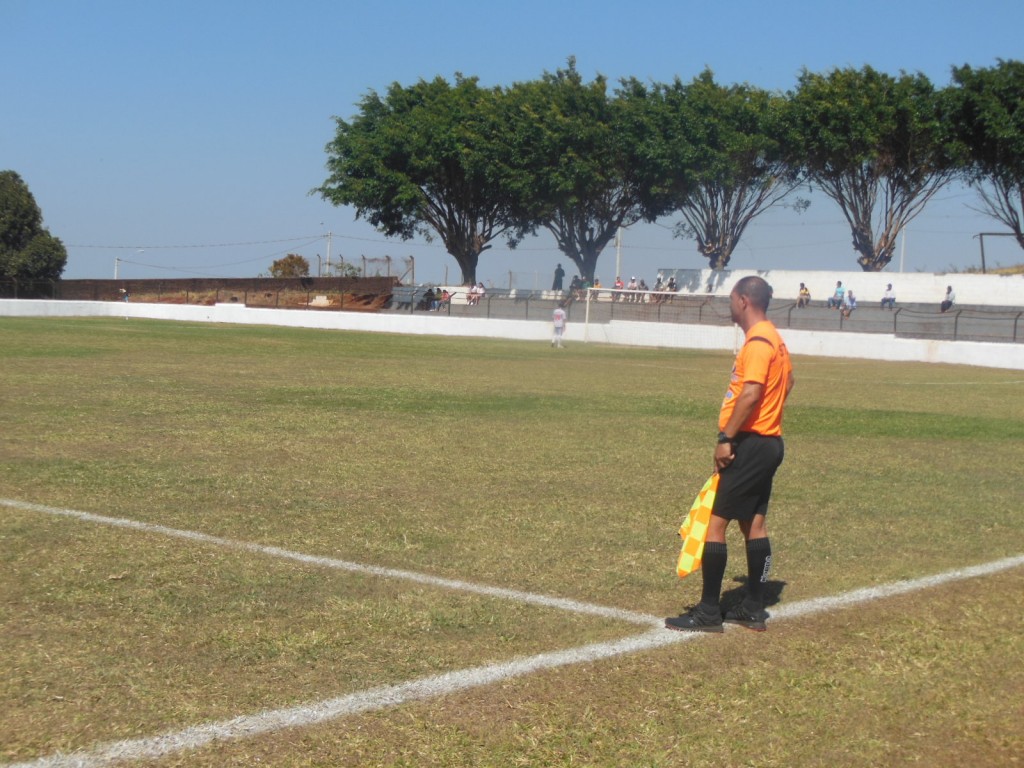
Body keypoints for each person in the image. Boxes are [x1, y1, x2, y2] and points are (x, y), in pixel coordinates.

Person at [666, 275, 795, 633]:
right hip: (768, 443)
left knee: (715, 524)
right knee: (754, 523)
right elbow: (789, 383)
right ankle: (753, 605)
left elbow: (751, 392)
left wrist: (727, 436)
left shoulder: (757, 342)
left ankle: (708, 612)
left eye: (731, 299)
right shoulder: (776, 339)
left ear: (743, 301)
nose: (729, 305)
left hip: (751, 443)